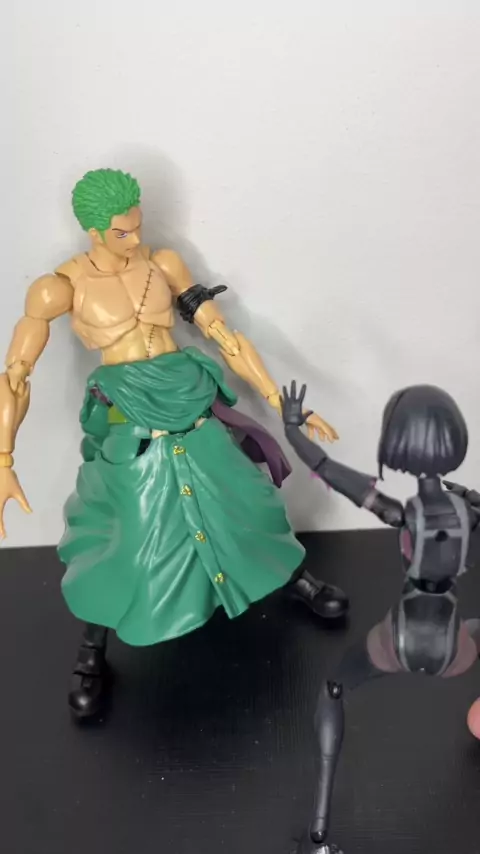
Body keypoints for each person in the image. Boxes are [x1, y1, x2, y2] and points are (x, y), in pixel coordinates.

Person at [0, 168, 347, 719]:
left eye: (137, 225)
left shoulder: (162, 264)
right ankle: (93, 647)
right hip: (133, 423)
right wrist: (4, 458)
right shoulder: (59, 287)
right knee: (126, 538)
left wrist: (280, 403)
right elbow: (16, 375)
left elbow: (224, 336)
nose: (135, 238)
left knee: (248, 503)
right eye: (122, 232)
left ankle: (294, 577)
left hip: (192, 406)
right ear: (94, 230)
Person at [281, 381, 480, 854]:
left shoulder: (403, 513)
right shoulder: (468, 514)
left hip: (399, 640)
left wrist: (292, 429)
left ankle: (319, 836)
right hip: (453, 647)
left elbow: (330, 472)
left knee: (333, 688)